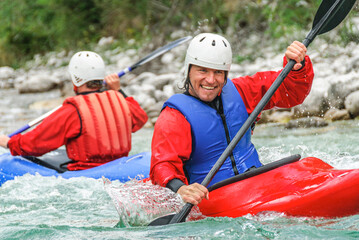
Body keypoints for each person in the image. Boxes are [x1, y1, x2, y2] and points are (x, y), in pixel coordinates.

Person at [150, 33, 314, 205]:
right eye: (203, 70)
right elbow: (163, 165)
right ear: (188, 70)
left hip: (256, 183)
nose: (211, 80)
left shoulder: (243, 91)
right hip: (213, 198)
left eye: (218, 72)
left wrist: (298, 66)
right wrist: (182, 189)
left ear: (226, 73)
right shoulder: (174, 116)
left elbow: (291, 91)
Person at [0, 51, 148, 170]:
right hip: (120, 166)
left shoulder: (72, 110)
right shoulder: (119, 100)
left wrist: (8, 142)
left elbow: (33, 145)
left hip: (86, 172)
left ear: (75, 79)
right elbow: (141, 119)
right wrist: (119, 90)